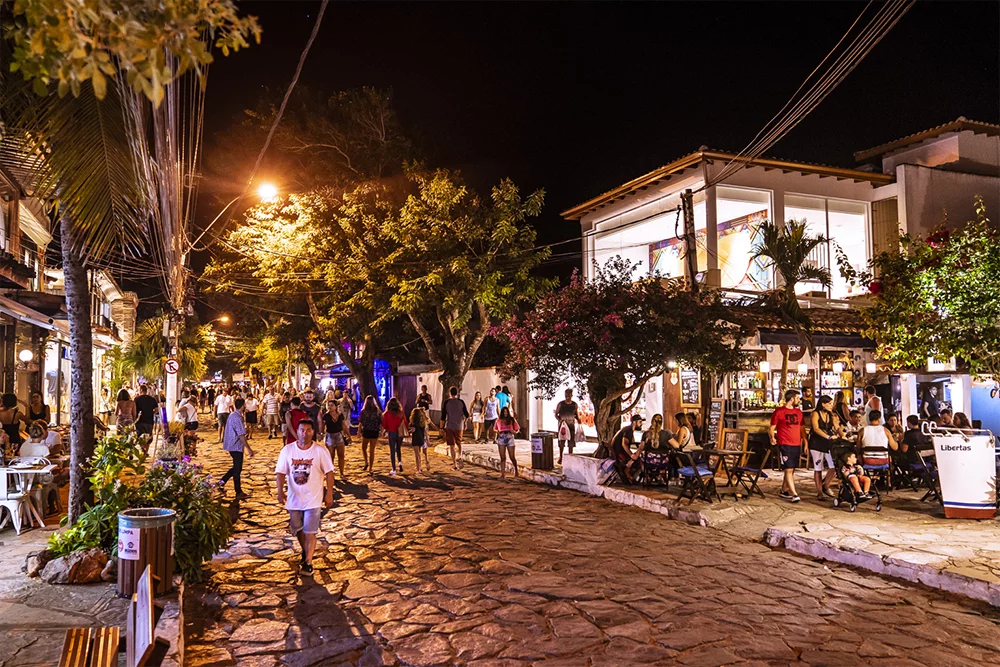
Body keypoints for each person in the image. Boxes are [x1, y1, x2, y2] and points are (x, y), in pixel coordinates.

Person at [275, 419, 334, 576]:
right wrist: (280, 491)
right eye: (302, 430)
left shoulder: (320, 451)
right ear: (297, 431)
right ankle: (305, 550)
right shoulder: (287, 450)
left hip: (313, 499)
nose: (304, 433)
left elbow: (329, 473)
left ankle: (308, 562)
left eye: (308, 430)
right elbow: (280, 472)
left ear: (313, 432)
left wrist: (329, 493)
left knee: (310, 532)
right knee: (298, 529)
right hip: (294, 499)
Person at [769, 389, 804, 503]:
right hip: (785, 443)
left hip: (796, 443)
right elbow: (772, 427)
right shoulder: (779, 411)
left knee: (792, 468)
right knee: (788, 468)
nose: (799, 400)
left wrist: (805, 440)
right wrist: (772, 437)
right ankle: (794, 493)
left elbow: (801, 427)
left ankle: (784, 489)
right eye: (797, 398)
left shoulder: (799, 412)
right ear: (792, 399)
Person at [219, 398, 254, 500]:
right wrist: (249, 448)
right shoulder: (237, 418)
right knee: (237, 469)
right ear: (243, 406)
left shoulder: (233, 415)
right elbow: (241, 435)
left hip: (232, 445)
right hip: (236, 446)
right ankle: (238, 491)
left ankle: (221, 482)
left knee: (236, 468)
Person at [809, 395, 840, 500]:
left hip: (828, 443)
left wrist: (841, 433)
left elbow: (837, 427)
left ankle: (826, 485)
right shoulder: (815, 413)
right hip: (817, 443)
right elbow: (816, 428)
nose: (831, 406)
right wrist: (828, 437)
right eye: (829, 404)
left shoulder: (830, 415)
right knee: (818, 468)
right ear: (823, 404)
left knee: (834, 466)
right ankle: (819, 492)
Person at [440, 386, 469, 470]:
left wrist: (441, 428)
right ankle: (459, 456)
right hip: (459, 426)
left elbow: (443, 417)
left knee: (451, 445)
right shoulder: (461, 402)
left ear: (450, 393)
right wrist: (465, 423)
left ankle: (454, 464)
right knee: (459, 443)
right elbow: (467, 415)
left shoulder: (447, 402)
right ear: (457, 393)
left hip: (450, 426)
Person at [612, 414, 644, 485]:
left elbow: (632, 442)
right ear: (634, 422)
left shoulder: (628, 429)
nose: (641, 424)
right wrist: (631, 455)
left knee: (637, 456)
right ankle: (629, 474)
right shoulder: (628, 431)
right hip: (619, 454)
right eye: (640, 422)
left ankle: (630, 475)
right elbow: (624, 444)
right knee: (638, 459)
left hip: (617, 452)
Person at [323, 400, 351, 479]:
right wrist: (321, 433)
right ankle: (330, 473)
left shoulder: (340, 415)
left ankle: (342, 473)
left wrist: (348, 435)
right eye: (329, 405)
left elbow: (343, 426)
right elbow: (322, 426)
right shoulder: (326, 416)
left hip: (339, 435)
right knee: (331, 456)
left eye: (332, 405)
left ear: (336, 406)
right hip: (330, 435)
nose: (330, 407)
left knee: (341, 455)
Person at [382, 397, 409, 476]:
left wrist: (385, 430)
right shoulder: (401, 413)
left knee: (392, 451)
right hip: (399, 433)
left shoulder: (387, 413)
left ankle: (394, 469)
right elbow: (405, 422)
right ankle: (400, 463)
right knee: (398, 448)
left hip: (391, 432)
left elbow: (384, 424)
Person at [555, 388, 580, 464]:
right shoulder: (561, 404)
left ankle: (570, 457)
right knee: (562, 441)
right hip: (563, 425)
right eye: (566, 395)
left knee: (571, 442)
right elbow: (556, 414)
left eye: (569, 395)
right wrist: (560, 420)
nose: (567, 397)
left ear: (571, 395)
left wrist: (578, 419)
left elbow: (575, 414)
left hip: (571, 425)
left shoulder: (574, 405)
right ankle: (561, 457)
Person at [495, 406, 520, 479]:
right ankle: (503, 474)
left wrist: (514, 432)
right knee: (502, 457)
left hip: (510, 436)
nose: (505, 413)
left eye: (506, 412)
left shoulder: (512, 420)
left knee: (512, 456)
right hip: (502, 437)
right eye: (504, 412)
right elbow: (495, 429)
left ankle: (516, 470)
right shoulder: (498, 420)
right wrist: (498, 432)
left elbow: (517, 429)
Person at [359, 396, 383, 473]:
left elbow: (361, 422)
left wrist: (359, 431)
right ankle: (370, 468)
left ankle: (366, 462)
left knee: (364, 448)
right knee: (371, 450)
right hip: (374, 431)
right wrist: (381, 431)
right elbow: (381, 422)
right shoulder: (377, 411)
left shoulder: (363, 411)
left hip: (366, 431)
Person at [408, 406, 430, 474]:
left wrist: (410, 431)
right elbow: (425, 432)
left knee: (417, 454)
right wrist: (427, 440)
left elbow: (411, 430)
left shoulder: (413, 423)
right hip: (421, 439)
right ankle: (420, 467)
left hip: (415, 439)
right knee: (420, 454)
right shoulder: (422, 423)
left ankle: (418, 469)